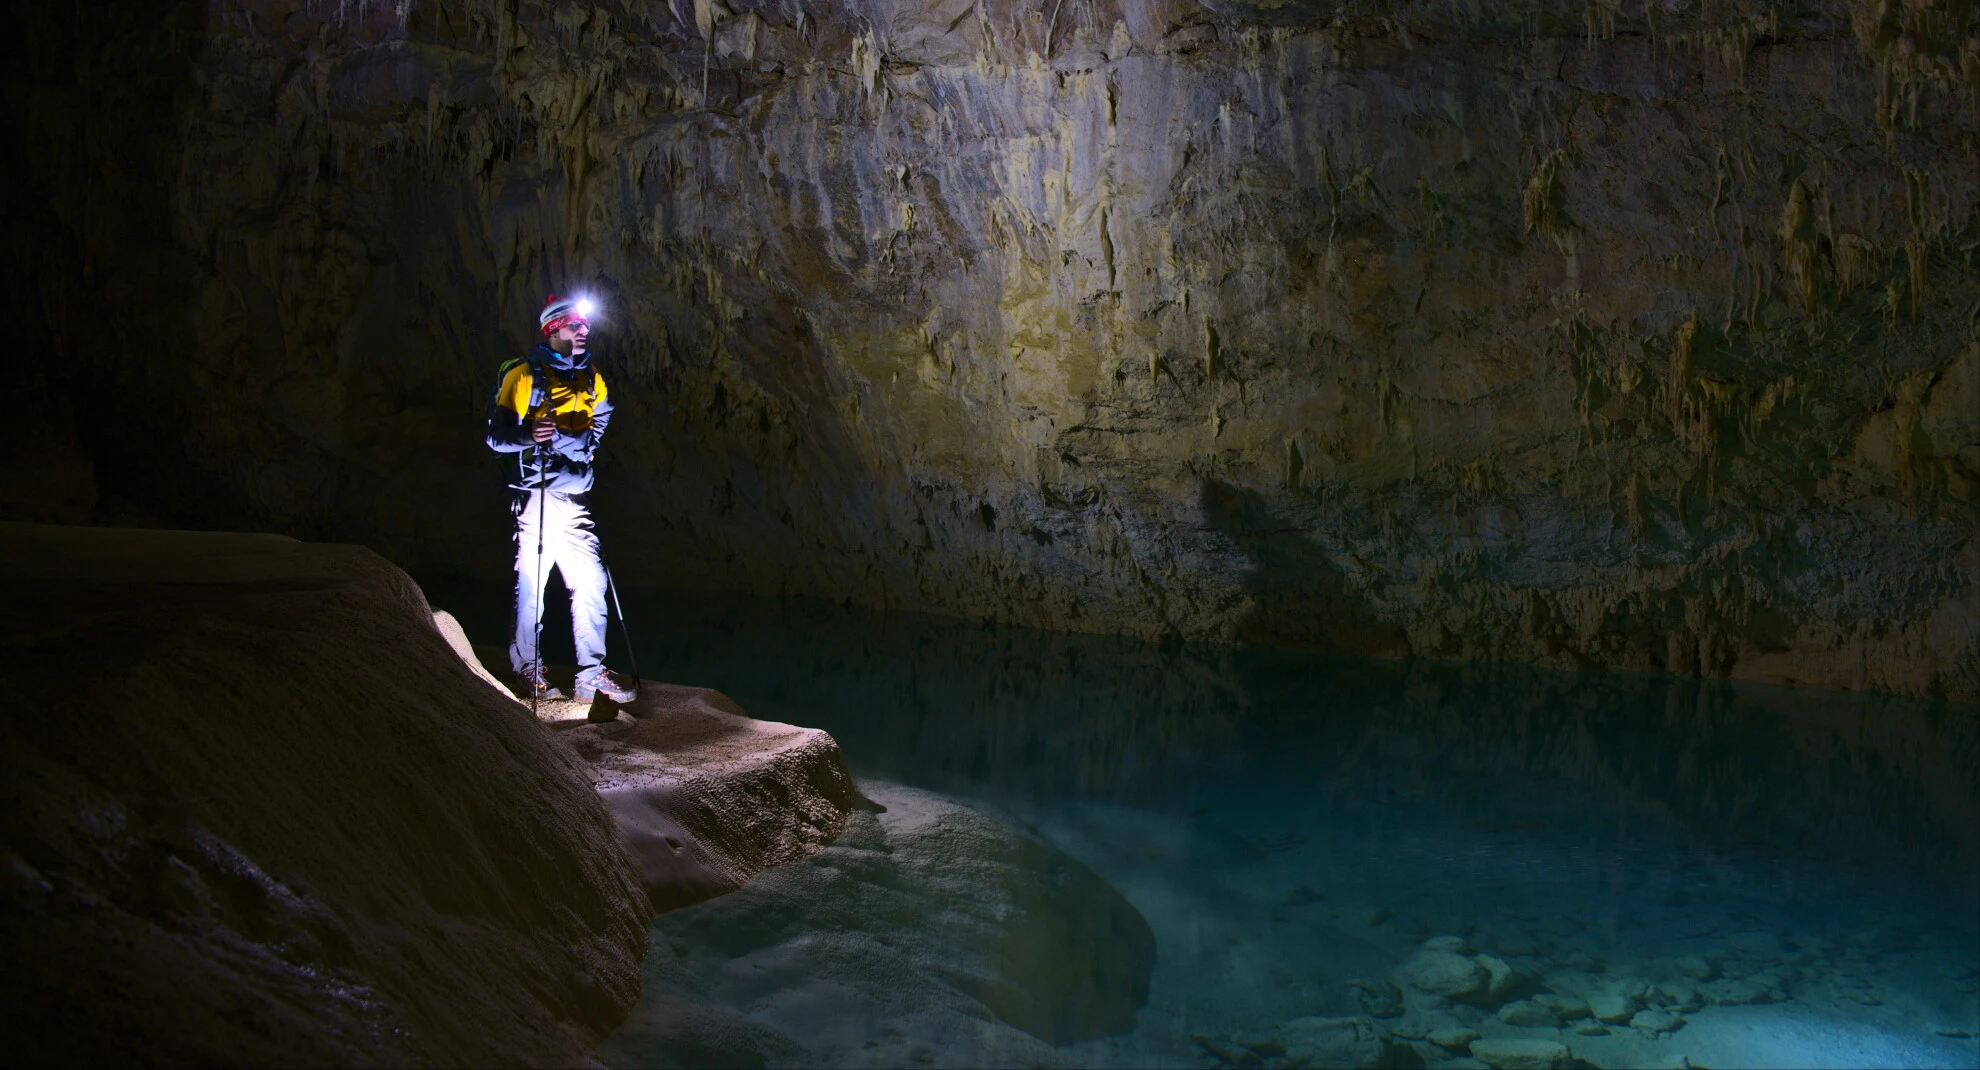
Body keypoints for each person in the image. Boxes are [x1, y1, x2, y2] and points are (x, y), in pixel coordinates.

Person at [485, 294, 638, 704]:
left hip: (574, 498)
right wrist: (526, 436)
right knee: (533, 584)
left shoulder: (592, 378)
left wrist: (591, 448)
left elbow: (603, 413)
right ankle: (528, 668)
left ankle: (591, 675)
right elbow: (494, 436)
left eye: (586, 326)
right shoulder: (523, 376)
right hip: (535, 496)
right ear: (554, 331)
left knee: (591, 580)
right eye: (575, 326)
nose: (584, 332)